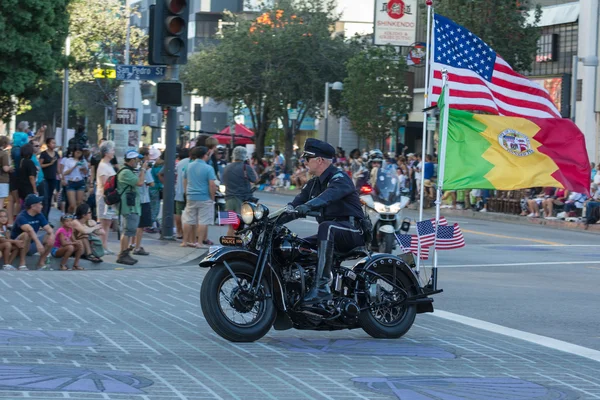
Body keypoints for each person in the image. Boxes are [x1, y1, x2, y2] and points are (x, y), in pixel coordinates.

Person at [288, 138, 366, 304]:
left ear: (319, 160)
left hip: (353, 231)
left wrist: (308, 206)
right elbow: (294, 205)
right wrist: (267, 220)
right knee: (295, 245)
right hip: (332, 233)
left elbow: (328, 197)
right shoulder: (313, 184)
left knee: (326, 227)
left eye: (307, 158)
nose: (304, 162)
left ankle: (321, 288)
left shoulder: (339, 178)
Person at [181, 146, 216, 248]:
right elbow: (212, 184)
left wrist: (186, 193)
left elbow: (185, 181)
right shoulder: (209, 168)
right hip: (204, 197)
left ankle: (185, 241)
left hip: (191, 196)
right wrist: (212, 197)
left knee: (188, 219)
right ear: (205, 155)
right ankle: (199, 242)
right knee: (203, 221)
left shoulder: (188, 166)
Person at [10, 194, 55, 270]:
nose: (42, 206)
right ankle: (22, 264)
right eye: (40, 204)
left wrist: (52, 235)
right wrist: (38, 243)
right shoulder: (21, 216)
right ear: (33, 206)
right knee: (26, 234)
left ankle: (41, 263)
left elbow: (49, 229)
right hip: (17, 246)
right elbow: (29, 229)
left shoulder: (39, 215)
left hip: (30, 245)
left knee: (49, 237)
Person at [116, 150, 146, 265]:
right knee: (128, 230)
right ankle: (122, 254)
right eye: (137, 160)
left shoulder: (129, 171)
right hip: (128, 206)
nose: (138, 162)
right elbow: (139, 182)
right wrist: (143, 169)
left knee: (129, 230)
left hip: (132, 205)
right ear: (132, 160)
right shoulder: (125, 172)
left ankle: (125, 253)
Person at [222, 146, 258, 236]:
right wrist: (250, 165)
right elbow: (256, 179)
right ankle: (236, 246)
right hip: (242, 199)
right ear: (245, 156)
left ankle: (229, 244)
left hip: (228, 199)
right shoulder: (246, 167)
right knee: (239, 226)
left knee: (230, 226)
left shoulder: (226, 167)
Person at [130, 147, 154, 256]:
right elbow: (151, 183)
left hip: (133, 199)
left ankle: (132, 244)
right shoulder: (143, 169)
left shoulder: (132, 169)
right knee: (141, 226)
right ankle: (137, 247)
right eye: (148, 155)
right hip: (143, 199)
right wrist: (147, 170)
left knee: (134, 224)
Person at [95, 140, 117, 254]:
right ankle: (101, 245)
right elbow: (104, 183)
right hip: (104, 197)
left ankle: (104, 245)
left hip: (109, 197)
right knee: (103, 221)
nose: (114, 152)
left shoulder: (108, 164)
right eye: (112, 150)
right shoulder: (103, 165)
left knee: (107, 222)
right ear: (106, 152)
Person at [61, 146, 89, 213]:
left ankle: (77, 218)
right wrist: (75, 166)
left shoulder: (83, 161)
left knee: (79, 203)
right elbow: (65, 172)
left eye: (80, 153)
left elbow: (86, 174)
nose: (78, 154)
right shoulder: (69, 160)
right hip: (71, 182)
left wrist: (84, 168)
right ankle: (68, 217)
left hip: (80, 182)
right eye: (77, 152)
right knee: (72, 205)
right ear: (74, 152)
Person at [39, 137, 60, 219]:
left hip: (53, 178)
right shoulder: (43, 154)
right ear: (48, 144)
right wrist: (50, 163)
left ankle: (46, 217)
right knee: (45, 198)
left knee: (50, 197)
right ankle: (43, 217)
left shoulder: (57, 154)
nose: (54, 144)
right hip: (45, 178)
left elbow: (58, 167)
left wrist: (60, 176)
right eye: (52, 143)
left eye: (54, 143)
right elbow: (40, 165)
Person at [0, 136, 12, 216]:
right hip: (2, 179)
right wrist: (11, 167)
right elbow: (5, 168)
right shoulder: (4, 154)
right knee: (1, 201)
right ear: (5, 144)